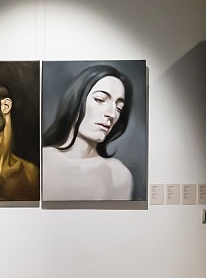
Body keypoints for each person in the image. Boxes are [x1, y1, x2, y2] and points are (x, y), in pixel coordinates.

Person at [40, 64, 136, 200]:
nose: (112, 114)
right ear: (75, 99)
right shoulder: (41, 160)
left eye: (119, 108)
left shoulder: (118, 174)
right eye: (100, 100)